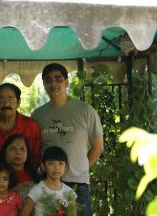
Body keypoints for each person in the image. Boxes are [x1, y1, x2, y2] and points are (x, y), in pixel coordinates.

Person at [31, 63, 104, 216]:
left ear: (66, 81)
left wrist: (81, 168)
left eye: (58, 79)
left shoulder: (85, 110)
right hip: (49, 184)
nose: (53, 83)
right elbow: (34, 149)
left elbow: (98, 147)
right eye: (48, 80)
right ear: (44, 84)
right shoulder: (37, 115)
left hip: (78, 184)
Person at [0, 83, 41, 164]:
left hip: (23, 175)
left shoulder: (32, 126)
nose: (6, 104)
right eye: (1, 99)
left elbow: (36, 158)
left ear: (18, 102)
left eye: (11, 99)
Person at [21, 146, 77, 216]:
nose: (56, 167)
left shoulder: (69, 192)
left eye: (60, 163)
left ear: (66, 167)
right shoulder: (37, 190)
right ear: (43, 166)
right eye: (51, 163)